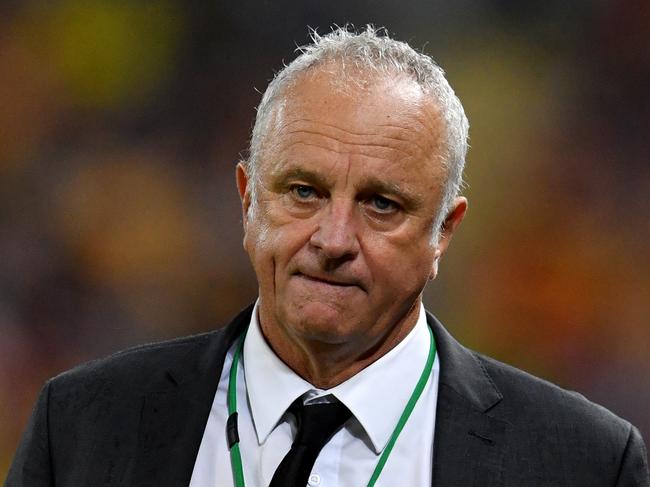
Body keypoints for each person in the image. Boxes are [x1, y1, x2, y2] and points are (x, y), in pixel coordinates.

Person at [6, 26, 649, 487]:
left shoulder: (584, 461)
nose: (333, 240)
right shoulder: (83, 423)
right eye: (304, 192)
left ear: (444, 233)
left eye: (381, 205)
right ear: (247, 200)